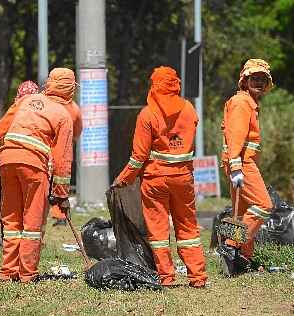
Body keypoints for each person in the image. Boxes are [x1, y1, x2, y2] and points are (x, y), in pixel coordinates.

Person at [113, 66, 207, 288]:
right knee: (188, 226)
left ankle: (166, 277)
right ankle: (197, 276)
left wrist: (124, 178)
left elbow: (139, 156)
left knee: (158, 228)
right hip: (183, 178)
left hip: (155, 179)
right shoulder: (189, 109)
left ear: (154, 86)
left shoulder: (148, 114)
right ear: (176, 84)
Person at [0, 68, 75, 283]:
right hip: (33, 164)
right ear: (69, 90)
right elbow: (62, 160)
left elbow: (1, 130)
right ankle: (27, 273)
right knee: (32, 221)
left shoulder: (27, 99)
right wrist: (61, 194)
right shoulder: (63, 115)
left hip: (8, 159)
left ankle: (7, 271)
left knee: (11, 219)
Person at [217, 59, 274, 276]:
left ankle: (242, 259)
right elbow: (235, 136)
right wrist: (235, 165)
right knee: (263, 205)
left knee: (240, 213)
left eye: (262, 79)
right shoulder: (242, 103)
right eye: (255, 78)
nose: (258, 82)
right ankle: (231, 245)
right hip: (241, 162)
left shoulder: (248, 102)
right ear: (245, 80)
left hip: (239, 162)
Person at [49, 100, 82, 226]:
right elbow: (78, 129)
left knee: (49, 183)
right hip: (65, 149)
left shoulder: (48, 103)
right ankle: (61, 215)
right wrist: (72, 139)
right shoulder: (74, 108)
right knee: (62, 183)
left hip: (48, 148)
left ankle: (58, 214)